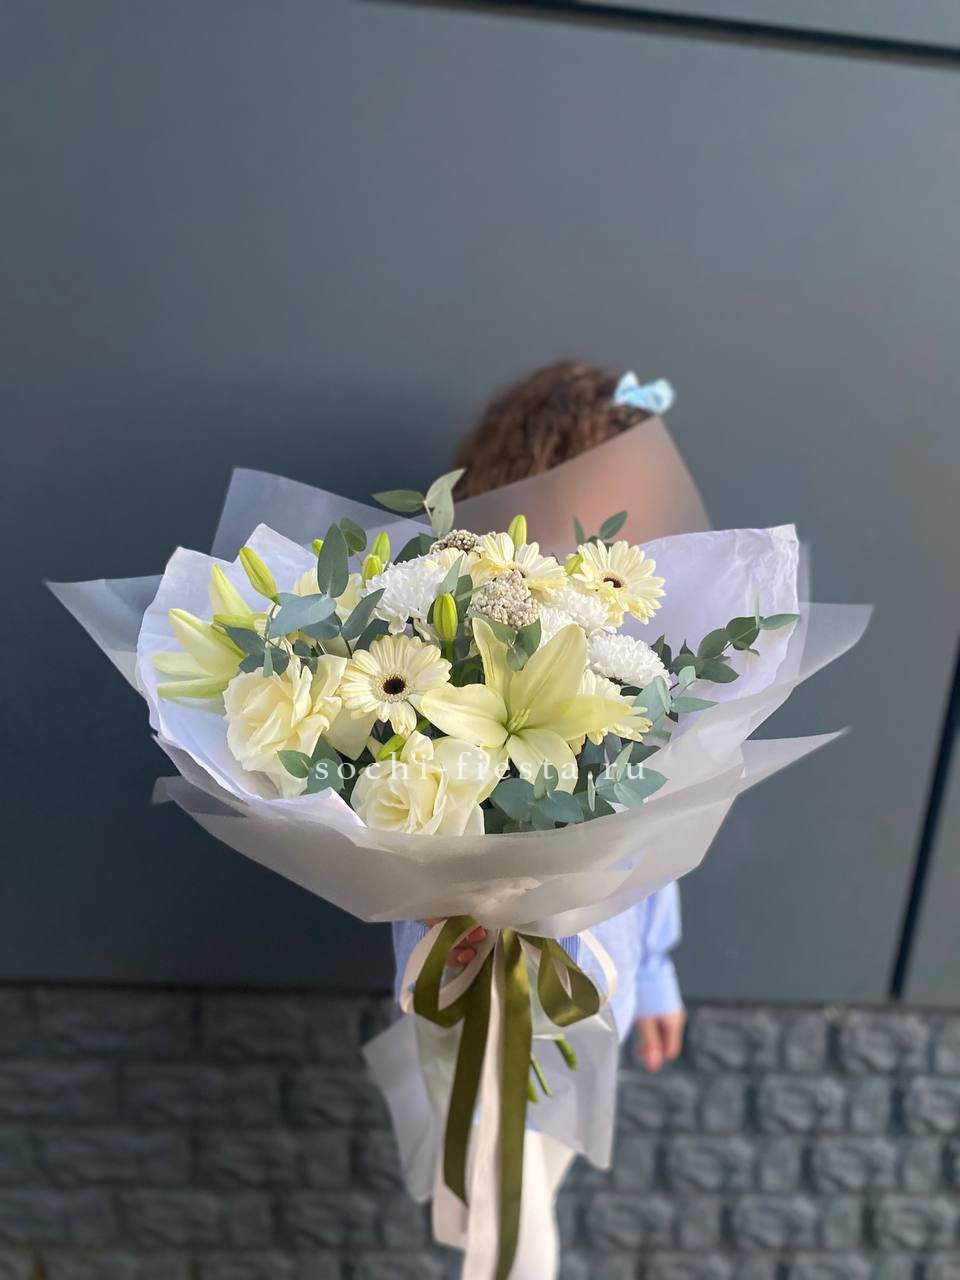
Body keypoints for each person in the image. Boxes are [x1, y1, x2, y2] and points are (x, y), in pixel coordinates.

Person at [392, 361, 687, 1073]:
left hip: (601, 996)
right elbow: (404, 835)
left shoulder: (634, 666)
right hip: (468, 1007)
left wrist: (654, 973)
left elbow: (660, 839)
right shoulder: (451, 670)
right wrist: (444, 913)